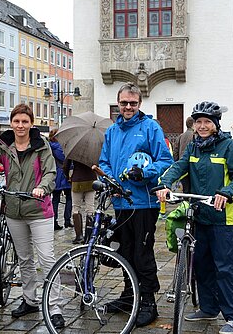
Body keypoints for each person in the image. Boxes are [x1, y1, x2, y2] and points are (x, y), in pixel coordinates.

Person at [0, 104, 65, 329]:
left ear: (31, 124)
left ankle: (54, 308)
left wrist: (42, 188)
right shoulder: (4, 145)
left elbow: (50, 173)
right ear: (11, 123)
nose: (20, 126)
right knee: (24, 259)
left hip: (38, 210)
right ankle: (29, 300)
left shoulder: (41, 145)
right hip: (14, 211)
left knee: (46, 259)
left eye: (25, 121)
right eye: (17, 121)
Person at [155, 101, 233, 334]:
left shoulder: (229, 146)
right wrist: (164, 184)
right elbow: (179, 166)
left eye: (207, 121)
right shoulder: (194, 147)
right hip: (199, 215)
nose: (202, 126)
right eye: (199, 122)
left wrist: (226, 193)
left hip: (222, 218)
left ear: (216, 124)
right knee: (202, 265)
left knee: (226, 268)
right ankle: (208, 307)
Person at [99, 82, 173, 327]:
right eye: (124, 103)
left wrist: (146, 172)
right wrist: (109, 178)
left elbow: (165, 160)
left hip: (144, 202)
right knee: (125, 251)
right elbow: (104, 161)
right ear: (118, 104)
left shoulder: (151, 127)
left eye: (132, 103)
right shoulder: (112, 131)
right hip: (121, 202)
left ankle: (148, 300)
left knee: (142, 252)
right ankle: (129, 294)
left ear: (139, 104)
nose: (128, 107)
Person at [63, 159, 97, 244]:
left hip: (77, 180)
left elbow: (65, 166)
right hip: (91, 180)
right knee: (90, 208)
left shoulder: (75, 149)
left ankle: (79, 236)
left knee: (76, 208)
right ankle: (88, 236)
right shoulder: (95, 150)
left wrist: (68, 177)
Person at [49, 129, 73, 230]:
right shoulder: (61, 147)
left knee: (55, 199)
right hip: (64, 175)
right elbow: (66, 160)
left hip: (56, 175)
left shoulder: (50, 146)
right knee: (68, 198)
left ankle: (54, 221)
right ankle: (67, 220)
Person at [173, 116, 195, 193]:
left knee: (185, 189)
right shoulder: (195, 136)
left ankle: (185, 203)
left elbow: (175, 151)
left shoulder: (180, 136)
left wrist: (177, 163)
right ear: (193, 124)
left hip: (182, 166)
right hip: (192, 167)